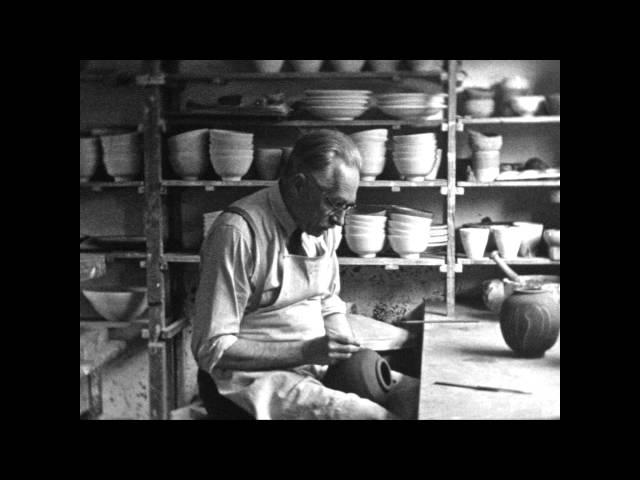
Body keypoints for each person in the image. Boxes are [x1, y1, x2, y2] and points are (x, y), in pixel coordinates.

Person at [192, 129, 419, 420]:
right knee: (375, 418)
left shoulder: (323, 227)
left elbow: (327, 298)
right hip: (248, 378)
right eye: (335, 204)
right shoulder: (237, 233)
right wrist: (307, 351)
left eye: (348, 206)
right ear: (300, 185)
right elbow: (212, 348)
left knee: (416, 398)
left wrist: (342, 342)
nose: (340, 219)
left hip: (314, 364)